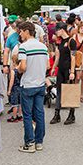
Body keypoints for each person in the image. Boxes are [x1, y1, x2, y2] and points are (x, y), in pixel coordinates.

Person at [16, 21, 50, 153]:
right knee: (40, 113)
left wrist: (18, 69)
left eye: (21, 31)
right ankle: (39, 142)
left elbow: (23, 67)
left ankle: (29, 143)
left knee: (28, 115)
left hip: (28, 84)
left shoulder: (24, 47)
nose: (20, 34)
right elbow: (47, 66)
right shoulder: (43, 46)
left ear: (26, 31)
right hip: (40, 83)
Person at [50, 23, 77, 125]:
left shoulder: (71, 41)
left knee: (70, 91)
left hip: (68, 69)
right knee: (59, 90)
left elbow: (73, 57)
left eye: (56, 30)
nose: (55, 32)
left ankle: (71, 114)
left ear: (62, 30)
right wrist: (53, 68)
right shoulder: (60, 42)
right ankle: (57, 114)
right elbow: (57, 56)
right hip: (60, 69)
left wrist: (72, 71)